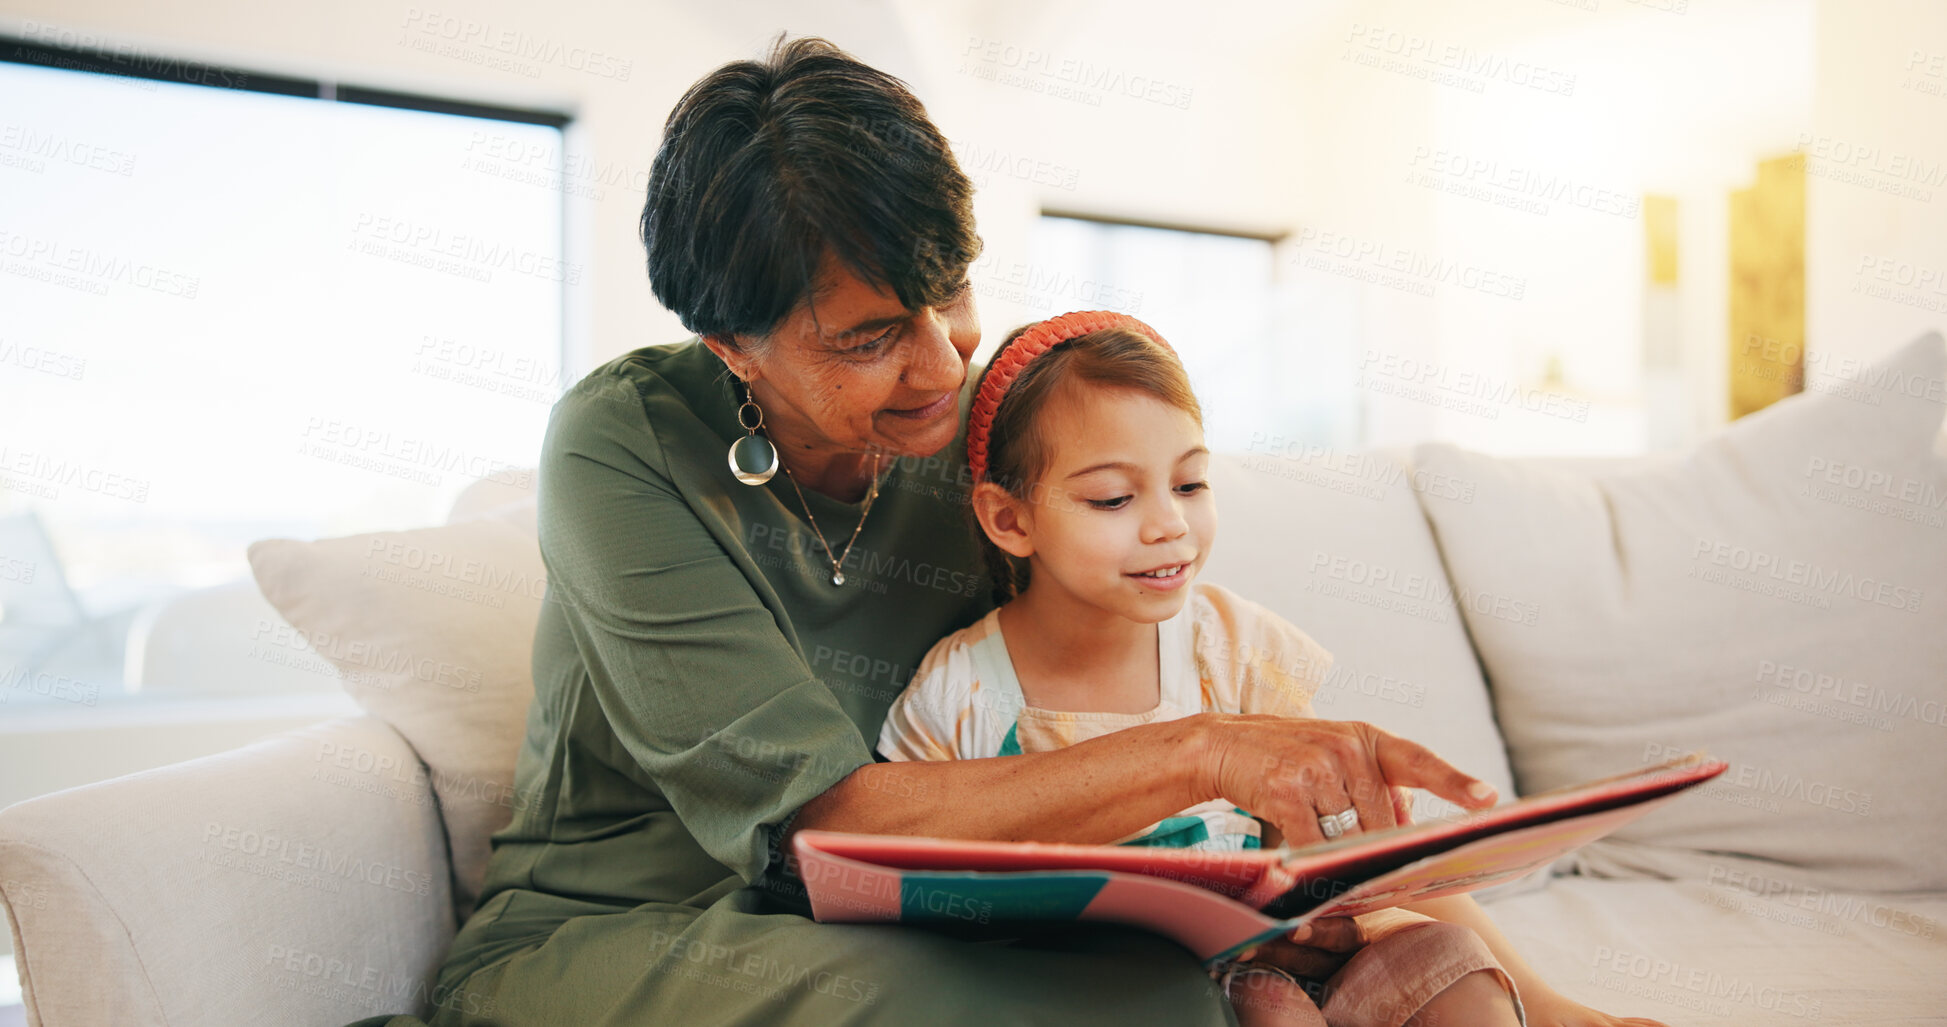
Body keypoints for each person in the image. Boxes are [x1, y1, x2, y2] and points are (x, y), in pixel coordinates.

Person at [347, 36, 1537, 1027]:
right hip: (624, 925)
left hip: (914, 906)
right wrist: (1202, 753)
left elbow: (1101, 655)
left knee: (1176, 987)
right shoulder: (620, 445)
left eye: (952, 289)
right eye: (868, 336)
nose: (940, 362)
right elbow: (815, 828)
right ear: (732, 346)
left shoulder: (978, 439)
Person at [880, 311, 1679, 1026]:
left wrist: (1547, 1005)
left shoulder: (1235, 647)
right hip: (1155, 997)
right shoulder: (960, 691)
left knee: (1450, 967)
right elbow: (908, 889)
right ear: (1009, 518)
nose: (1168, 525)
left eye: (1190, 483)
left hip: (1303, 964)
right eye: (1113, 500)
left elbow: (1367, 858)